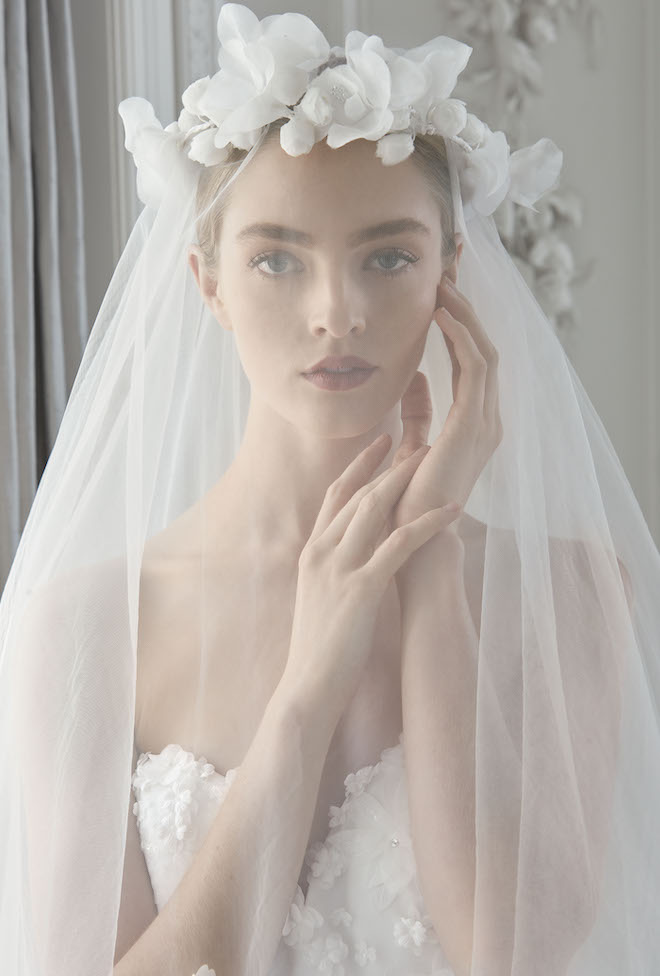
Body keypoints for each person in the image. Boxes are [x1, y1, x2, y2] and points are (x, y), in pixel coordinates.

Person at [0, 4, 658, 975]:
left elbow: (510, 954)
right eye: (275, 258)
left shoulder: (573, 596)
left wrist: (427, 554)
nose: (335, 313)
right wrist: (305, 691)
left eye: (388, 256)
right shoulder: (86, 622)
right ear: (208, 281)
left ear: (450, 271)